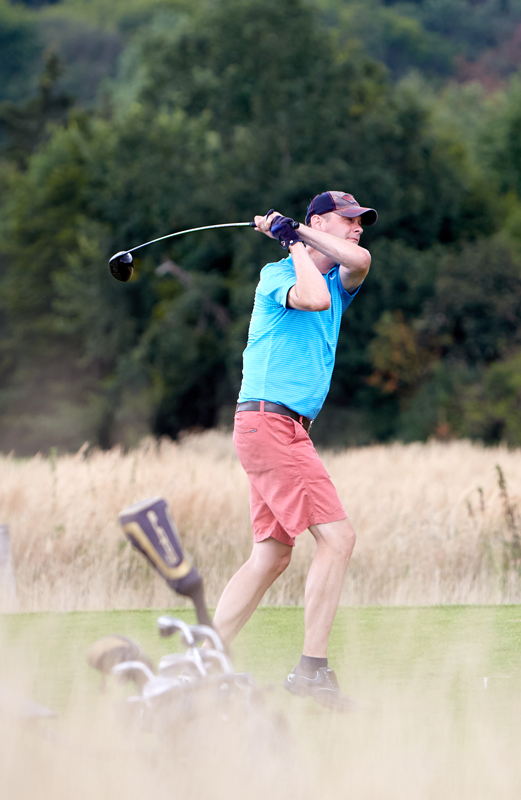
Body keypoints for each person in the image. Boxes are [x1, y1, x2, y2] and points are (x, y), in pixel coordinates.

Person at [213, 191, 376, 711]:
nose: (357, 227)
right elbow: (311, 299)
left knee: (271, 556)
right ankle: (312, 670)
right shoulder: (276, 276)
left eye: (359, 221)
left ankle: (203, 661)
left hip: (277, 427)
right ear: (319, 221)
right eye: (347, 220)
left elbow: (359, 261)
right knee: (338, 538)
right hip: (270, 423)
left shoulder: (341, 278)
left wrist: (296, 234)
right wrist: (294, 245)